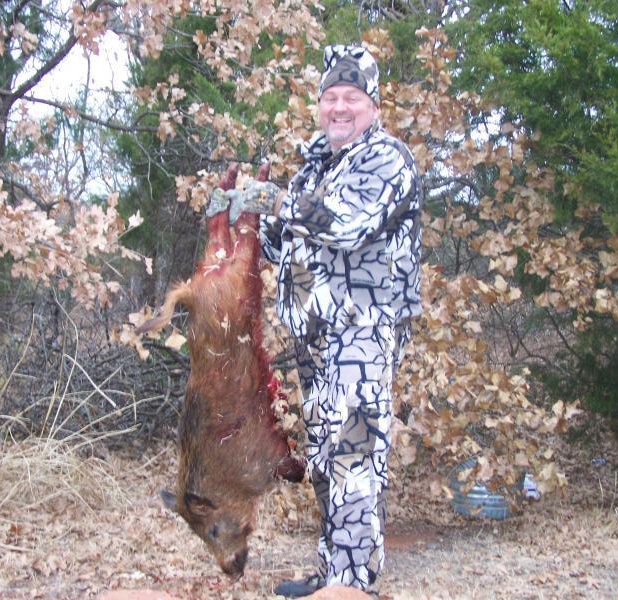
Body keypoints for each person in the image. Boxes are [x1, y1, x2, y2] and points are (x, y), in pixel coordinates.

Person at [216, 44, 423, 597]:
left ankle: (353, 587)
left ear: (372, 105)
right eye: (329, 96)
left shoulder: (387, 159)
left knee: (354, 455)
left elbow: (344, 225)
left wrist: (276, 199)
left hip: (363, 333)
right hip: (317, 337)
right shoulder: (317, 167)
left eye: (351, 97)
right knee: (329, 459)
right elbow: (294, 247)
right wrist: (246, 224)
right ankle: (334, 574)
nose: (338, 107)